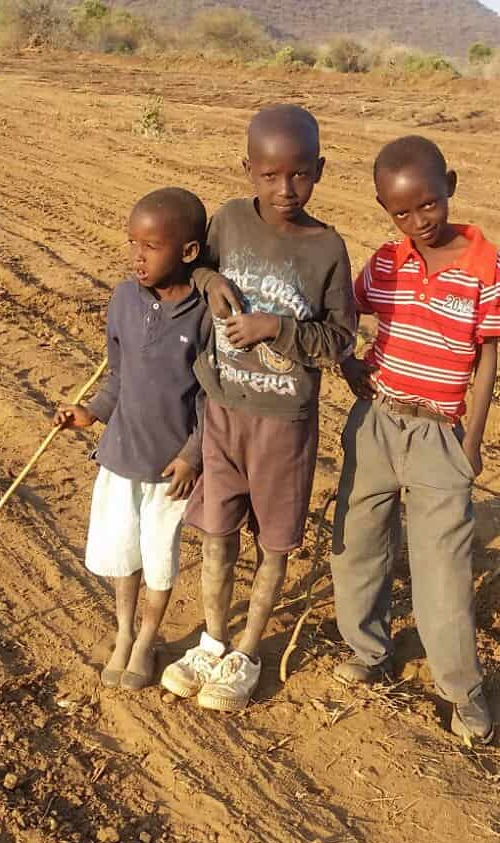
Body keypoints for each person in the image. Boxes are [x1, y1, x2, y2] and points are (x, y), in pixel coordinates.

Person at [160, 104, 357, 711]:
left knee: (274, 544)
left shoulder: (327, 249)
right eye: (269, 175)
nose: (285, 188)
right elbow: (194, 267)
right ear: (248, 169)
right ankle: (212, 642)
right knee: (216, 536)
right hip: (222, 414)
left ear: (319, 170)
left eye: (299, 174)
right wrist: (206, 281)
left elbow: (340, 340)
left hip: (283, 426)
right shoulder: (229, 222)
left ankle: (247, 653)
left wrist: (278, 327)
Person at [331, 135, 500, 742]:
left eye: (428, 205)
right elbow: (346, 313)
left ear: (450, 186)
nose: (418, 222)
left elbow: (486, 357)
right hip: (376, 419)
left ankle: (462, 691)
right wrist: (349, 363)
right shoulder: (385, 261)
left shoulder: (486, 264)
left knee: (443, 569)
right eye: (401, 212)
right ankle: (368, 651)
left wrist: (473, 441)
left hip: (440, 433)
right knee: (357, 541)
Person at [55, 187, 211, 690]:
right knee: (124, 552)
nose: (137, 257)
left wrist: (192, 455)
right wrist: (90, 413)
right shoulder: (124, 298)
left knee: (159, 556)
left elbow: (212, 399)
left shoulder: (205, 315)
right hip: (121, 456)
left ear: (188, 253)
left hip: (169, 471)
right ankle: (123, 633)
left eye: (151, 246)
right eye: (132, 244)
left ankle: (148, 638)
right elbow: (118, 378)